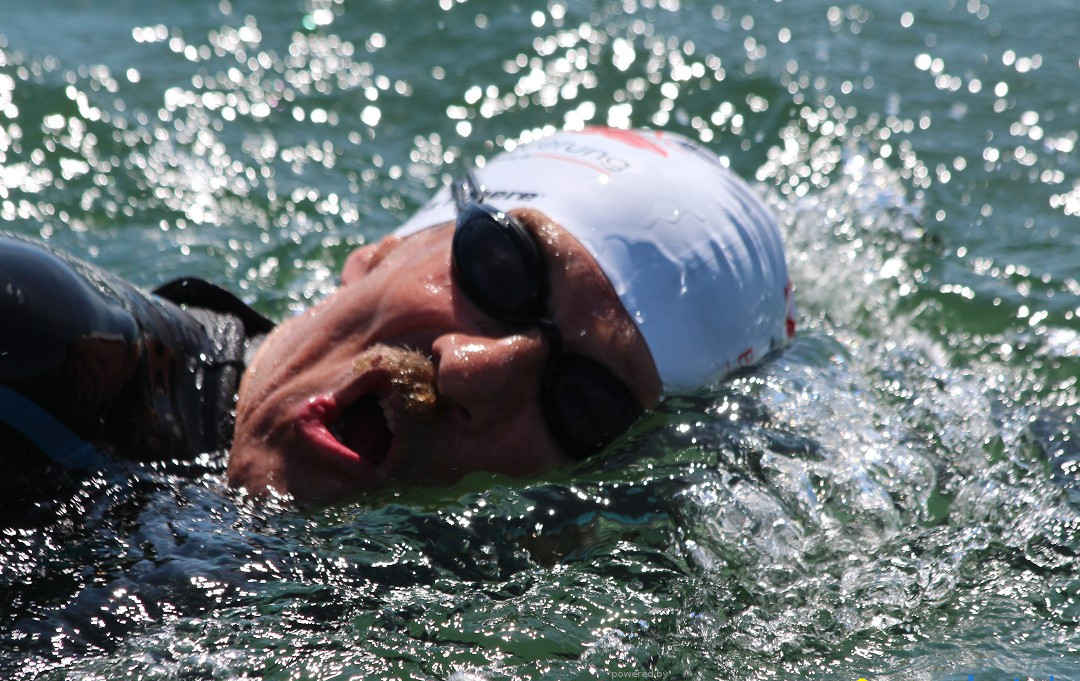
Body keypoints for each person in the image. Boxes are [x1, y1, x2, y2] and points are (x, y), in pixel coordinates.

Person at [0, 126, 794, 504]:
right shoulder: (43, 351)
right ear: (380, 253)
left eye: (585, 402)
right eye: (502, 271)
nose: (472, 369)